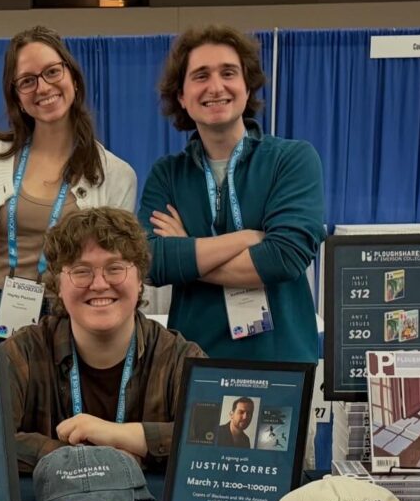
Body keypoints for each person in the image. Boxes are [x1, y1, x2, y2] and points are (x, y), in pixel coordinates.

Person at [0, 26, 137, 348]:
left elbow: (111, 278)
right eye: (28, 80)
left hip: (66, 322)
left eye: (53, 72)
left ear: (74, 79)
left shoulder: (117, 176)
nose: (43, 87)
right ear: (17, 99)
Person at [138, 26, 325, 363]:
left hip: (282, 364)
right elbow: (151, 261)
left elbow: (284, 257)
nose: (216, 87)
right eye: (200, 76)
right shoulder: (167, 174)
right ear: (181, 95)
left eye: (228, 73)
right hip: (194, 363)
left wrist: (187, 250)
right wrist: (249, 238)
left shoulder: (292, 159)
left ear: (247, 85)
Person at [3, 207, 204, 473]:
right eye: (81, 271)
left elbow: (213, 441)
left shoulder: (181, 358)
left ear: (140, 280)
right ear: (59, 286)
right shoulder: (21, 353)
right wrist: (99, 460)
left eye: (115, 268)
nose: (99, 284)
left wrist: (120, 434)